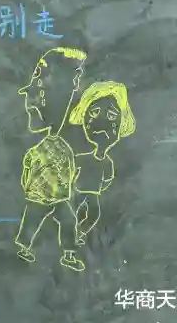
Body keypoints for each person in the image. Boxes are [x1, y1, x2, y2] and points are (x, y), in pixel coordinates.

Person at [14, 47, 87, 272]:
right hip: (41, 195)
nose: (29, 94)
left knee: (67, 220)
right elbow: (28, 166)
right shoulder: (42, 146)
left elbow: (70, 170)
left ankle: (69, 252)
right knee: (33, 218)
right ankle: (24, 245)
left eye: (41, 79)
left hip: (59, 196)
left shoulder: (66, 144)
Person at [68, 81, 136, 246]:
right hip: (78, 193)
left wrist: (98, 187)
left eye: (111, 115)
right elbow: (73, 173)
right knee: (72, 212)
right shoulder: (81, 158)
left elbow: (107, 179)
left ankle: (80, 233)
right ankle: (71, 233)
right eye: (93, 113)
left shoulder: (107, 163)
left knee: (92, 215)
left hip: (92, 195)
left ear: (122, 125)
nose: (101, 122)